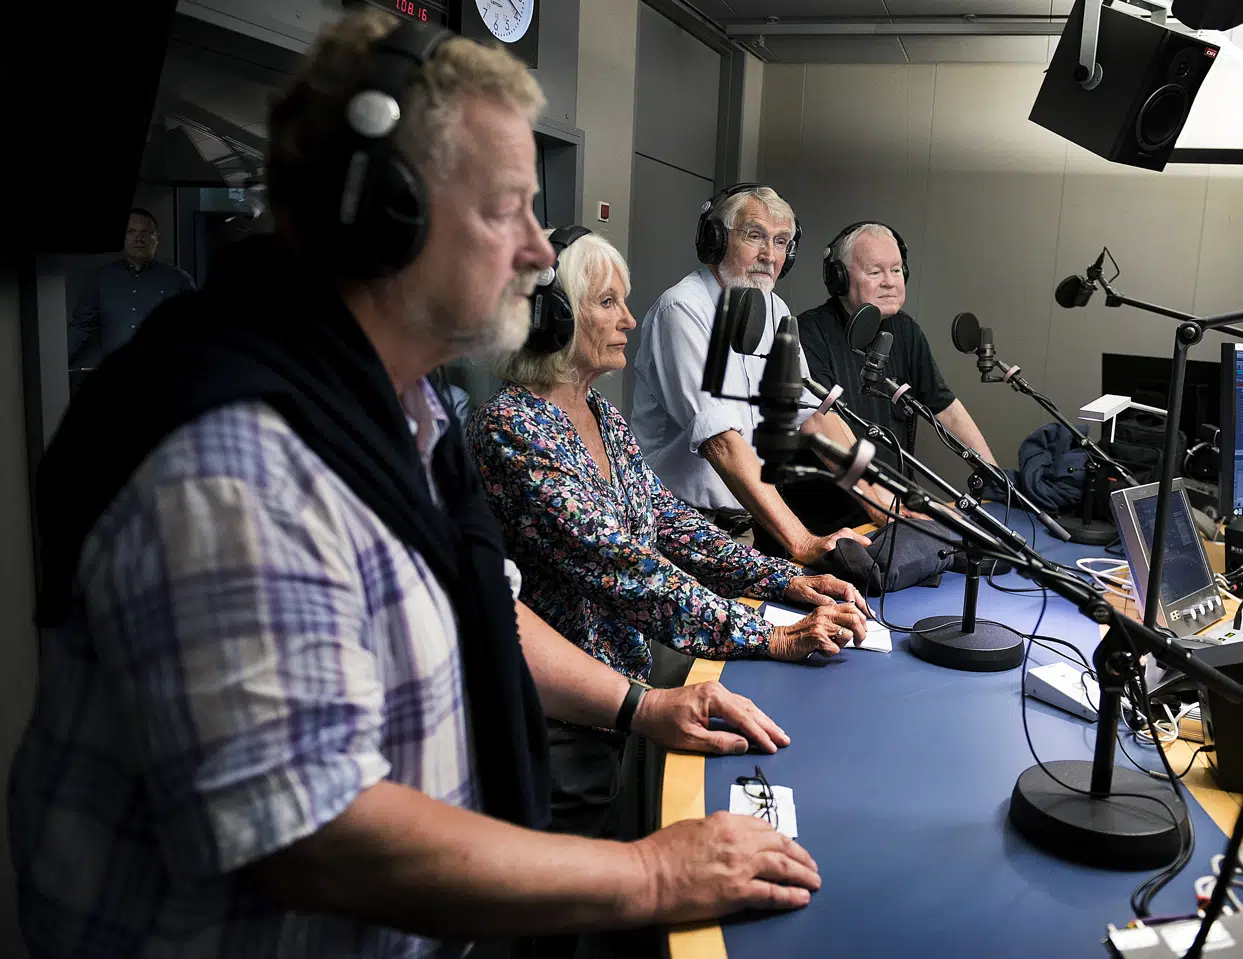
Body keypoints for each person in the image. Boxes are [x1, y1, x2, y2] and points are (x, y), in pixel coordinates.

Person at [9, 14, 819, 959]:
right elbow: (317, 835)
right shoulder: (236, 462)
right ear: (389, 215)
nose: (537, 252)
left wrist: (645, 706)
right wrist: (651, 874)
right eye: (507, 209)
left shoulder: (403, 408)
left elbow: (490, 608)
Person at [471, 226, 871, 838]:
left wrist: (787, 579)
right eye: (608, 303)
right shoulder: (513, 429)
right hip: (558, 723)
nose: (629, 320)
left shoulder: (601, 416)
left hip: (619, 699)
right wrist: (767, 635)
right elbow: (623, 568)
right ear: (551, 317)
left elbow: (669, 524)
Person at [630, 184, 885, 562]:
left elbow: (813, 417)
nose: (769, 255)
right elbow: (721, 441)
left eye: (781, 242)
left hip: (743, 528)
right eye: (755, 236)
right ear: (716, 240)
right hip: (678, 530)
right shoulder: (682, 309)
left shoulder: (775, 309)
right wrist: (801, 541)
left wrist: (883, 503)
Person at [790, 221, 997, 538]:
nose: (889, 282)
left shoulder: (906, 331)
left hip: (896, 507)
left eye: (897, 270)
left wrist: (994, 477)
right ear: (839, 278)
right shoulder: (809, 333)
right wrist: (879, 504)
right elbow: (820, 427)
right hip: (830, 522)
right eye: (875, 272)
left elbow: (946, 409)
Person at [67, 207, 195, 365]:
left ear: (157, 238)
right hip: (116, 372)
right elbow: (81, 327)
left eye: (145, 232)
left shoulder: (179, 280)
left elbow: (195, 328)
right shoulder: (101, 279)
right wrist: (53, 366)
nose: (139, 238)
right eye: (131, 232)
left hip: (165, 371)